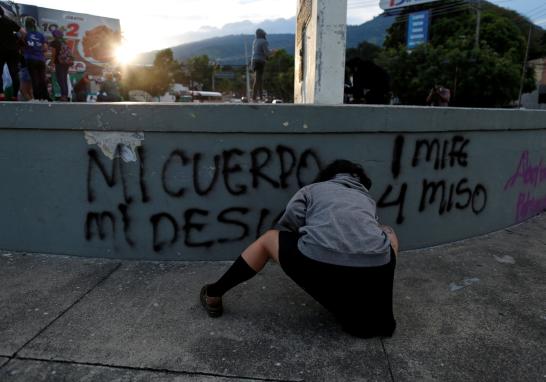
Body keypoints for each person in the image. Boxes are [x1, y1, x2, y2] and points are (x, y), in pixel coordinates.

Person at [200, 159, 399, 338]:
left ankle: (213, 294)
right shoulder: (366, 198)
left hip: (319, 263)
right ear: (361, 183)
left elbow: (291, 219)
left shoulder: (312, 189)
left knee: (268, 239)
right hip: (375, 271)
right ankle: (374, 306)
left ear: (328, 176)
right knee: (388, 233)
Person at [0, 6, 25, 101]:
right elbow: (23, 32)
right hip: (13, 51)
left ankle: (1, 94)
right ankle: (15, 95)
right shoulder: (8, 21)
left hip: (1, 51)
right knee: (14, 73)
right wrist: (19, 42)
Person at [23, 18, 49, 101]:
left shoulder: (25, 34)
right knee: (42, 78)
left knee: (35, 79)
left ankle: (37, 98)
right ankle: (45, 97)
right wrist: (38, 49)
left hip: (30, 59)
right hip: (40, 59)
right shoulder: (40, 35)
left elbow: (20, 44)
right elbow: (45, 48)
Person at [50, 29, 72, 101]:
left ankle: (64, 96)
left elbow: (53, 54)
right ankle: (65, 95)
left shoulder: (54, 42)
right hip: (66, 63)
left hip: (59, 63)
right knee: (64, 79)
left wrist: (51, 63)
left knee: (60, 79)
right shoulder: (64, 42)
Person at [250, 28, 271, 102]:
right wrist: (273, 52)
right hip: (260, 61)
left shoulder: (255, 41)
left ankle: (260, 97)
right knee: (258, 79)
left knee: (259, 79)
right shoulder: (264, 41)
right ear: (263, 34)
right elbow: (267, 53)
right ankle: (254, 97)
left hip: (254, 61)